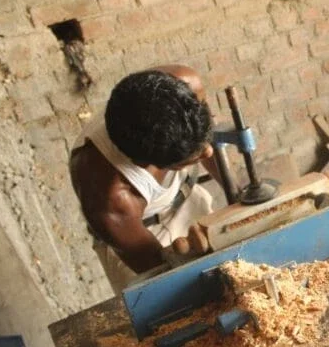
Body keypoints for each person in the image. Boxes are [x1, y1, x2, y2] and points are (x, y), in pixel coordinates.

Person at [70, 65, 220, 293]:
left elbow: (204, 138)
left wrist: (238, 192)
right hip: (142, 233)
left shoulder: (178, 84)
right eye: (189, 160)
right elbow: (165, 273)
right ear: (146, 165)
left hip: (187, 198)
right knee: (180, 302)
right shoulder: (112, 200)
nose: (208, 152)